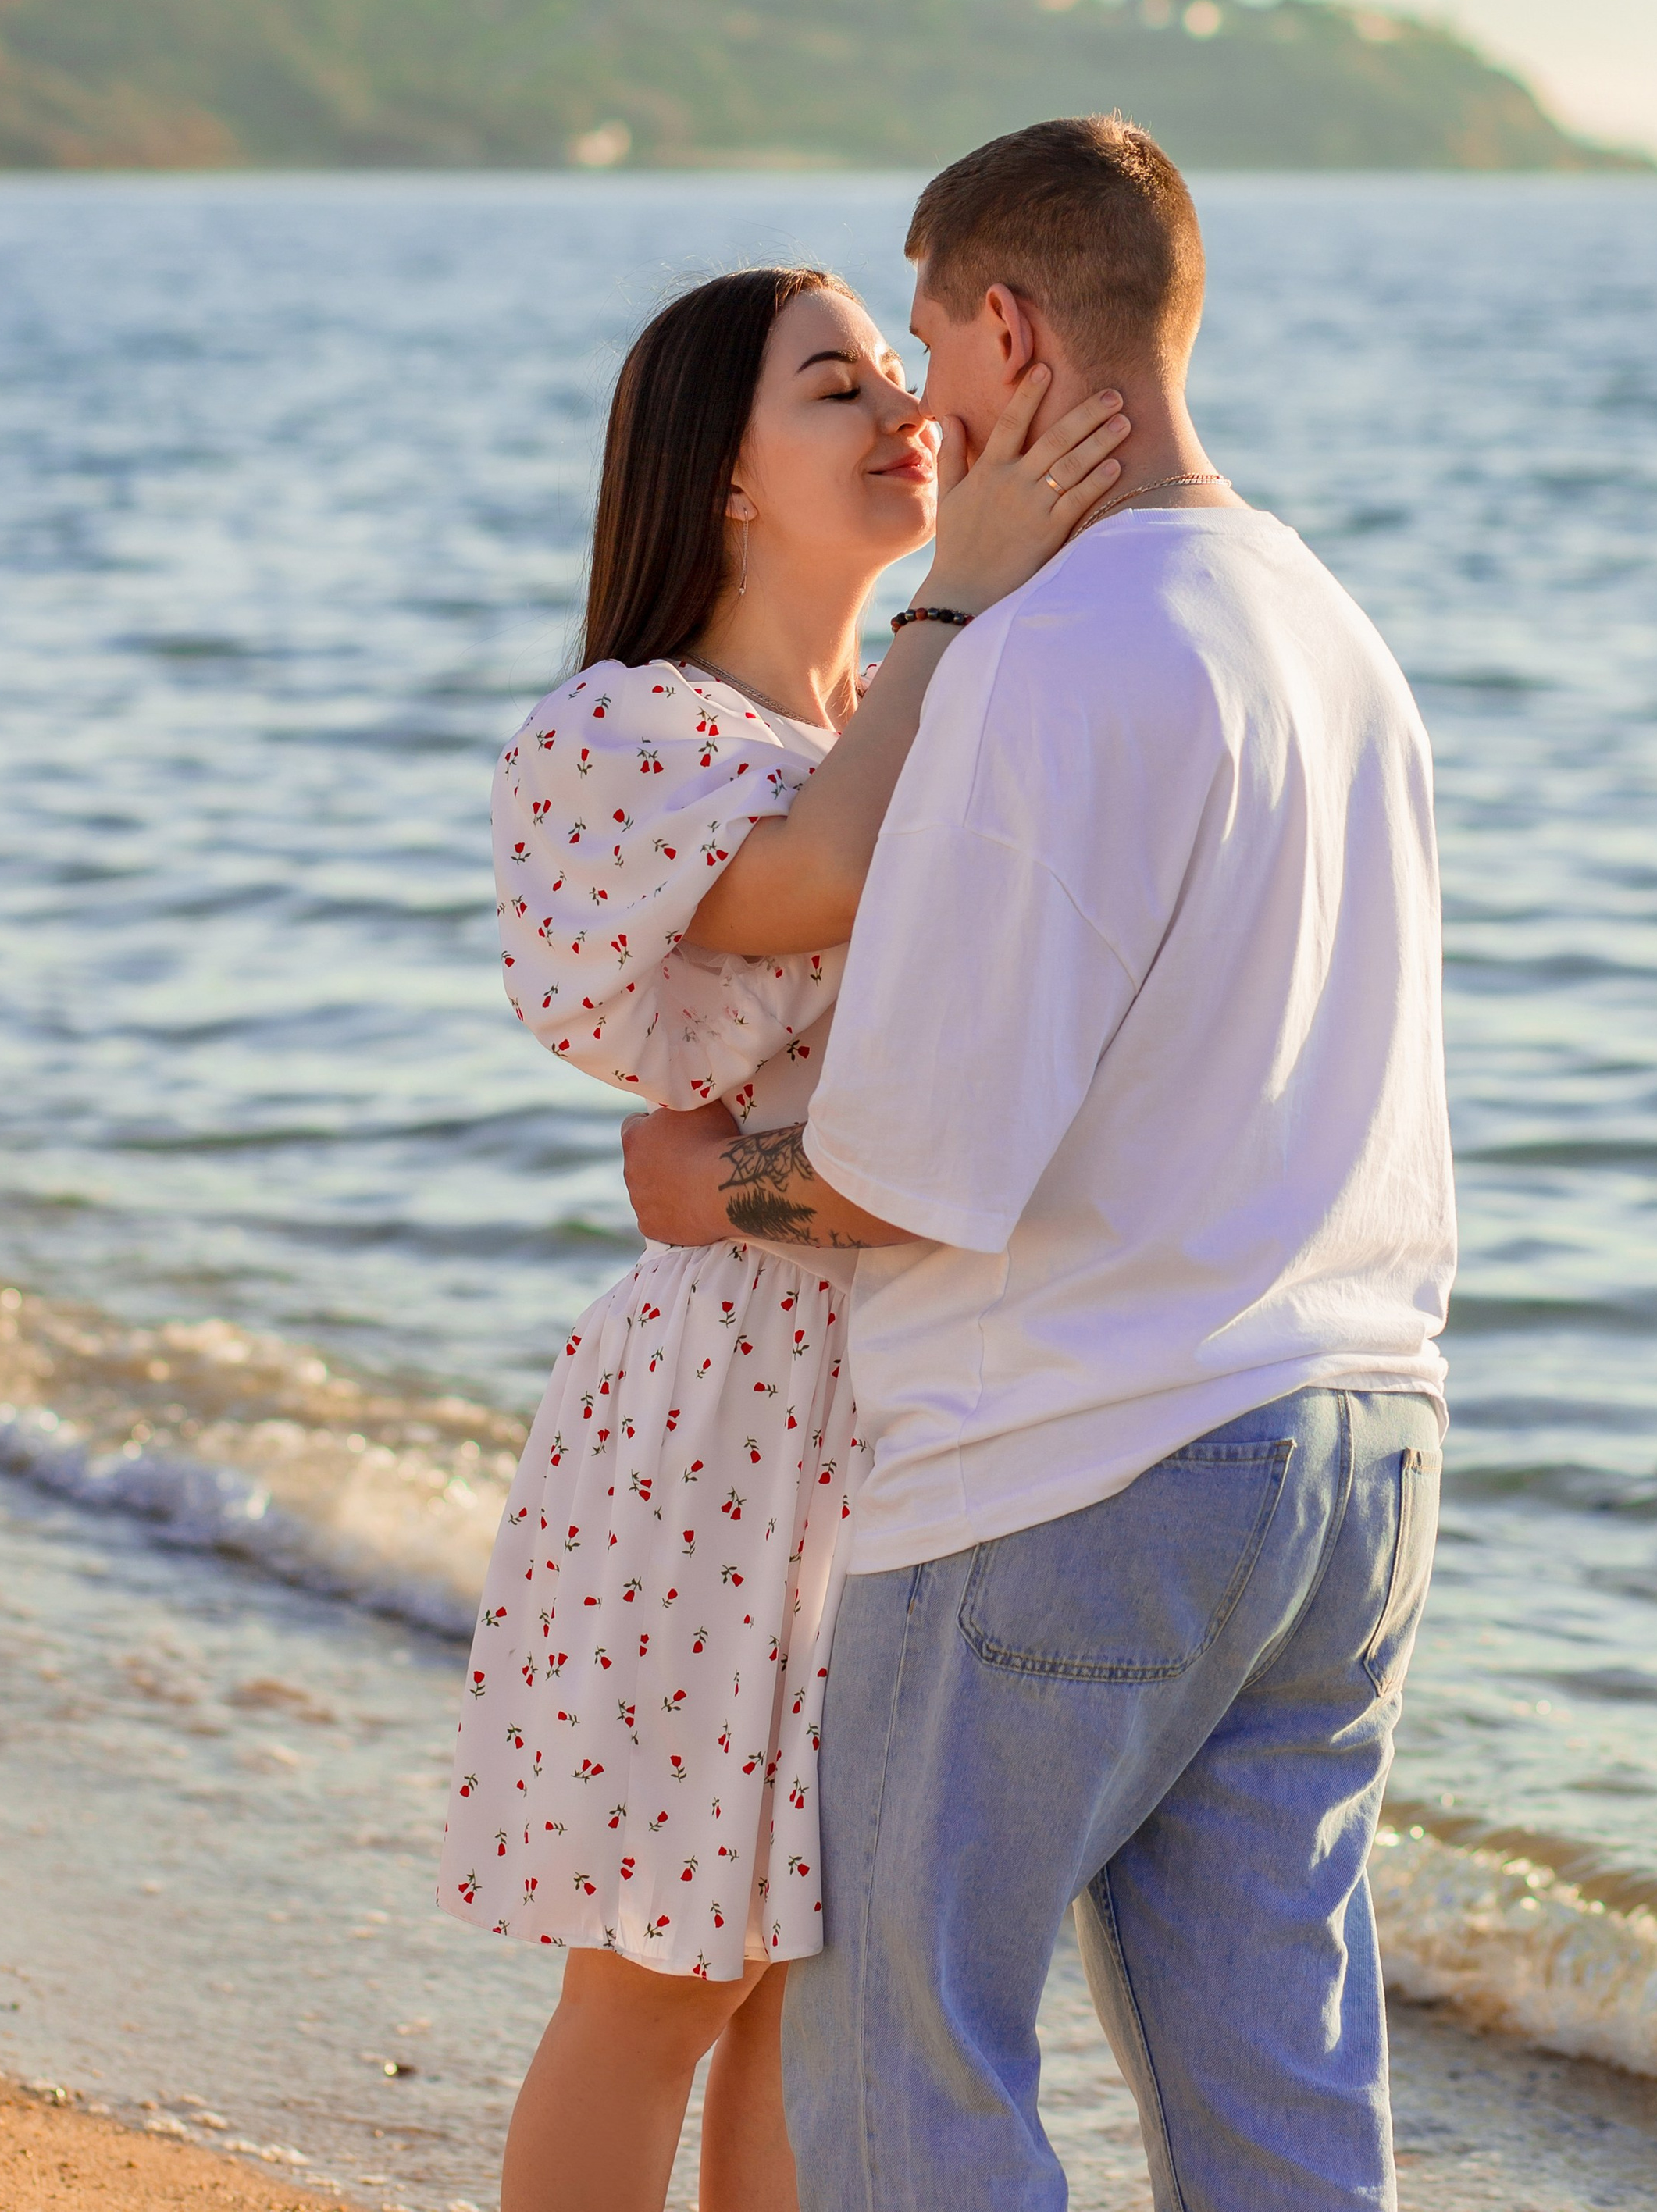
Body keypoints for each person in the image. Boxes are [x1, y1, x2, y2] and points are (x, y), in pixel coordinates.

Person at [625, 118, 1459, 2212]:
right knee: (1274, 2086)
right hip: (1356, 1447)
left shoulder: (1049, 654)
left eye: (928, 343)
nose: (922, 400)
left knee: (910, 2063)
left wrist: (710, 1186)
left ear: (1012, 327)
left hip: (1067, 1464)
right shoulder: (1332, 633)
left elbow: (914, 1164)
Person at [437, 260, 1131, 2212]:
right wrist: (958, 580)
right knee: (667, 1967)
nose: (903, 416)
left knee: (809, 1993)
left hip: (919, 1387)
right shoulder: (628, 730)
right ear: (723, 481)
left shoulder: (938, 694)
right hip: (731, 1404)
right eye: (839, 388)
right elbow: (805, 878)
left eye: (905, 380)